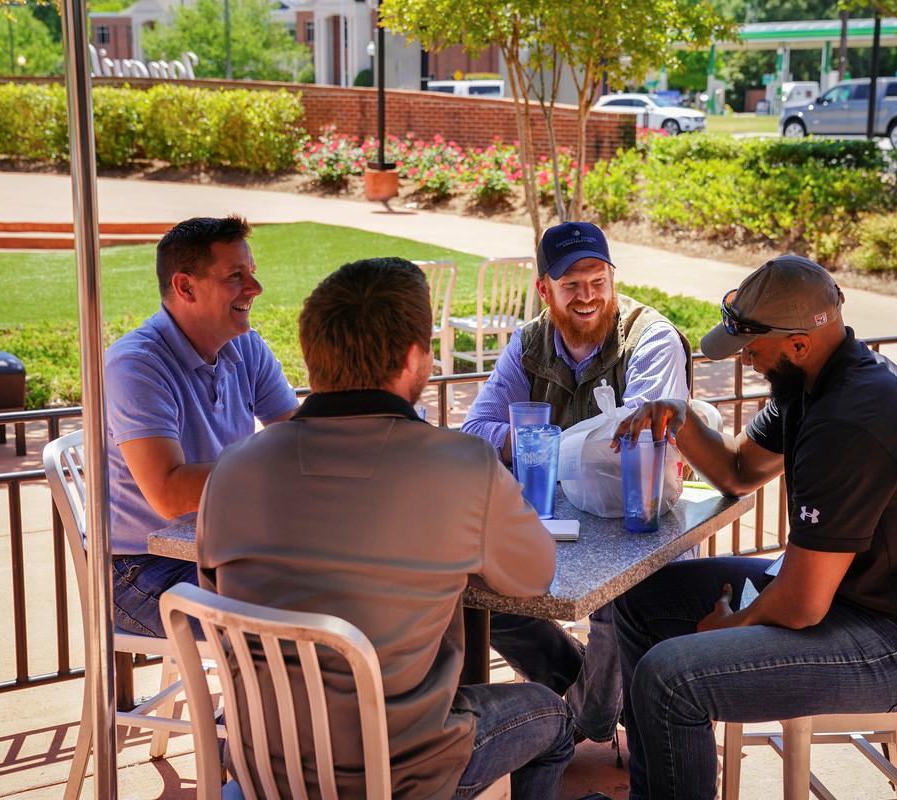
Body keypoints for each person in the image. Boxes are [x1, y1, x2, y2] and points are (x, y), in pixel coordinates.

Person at [197, 257, 574, 798]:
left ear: (311, 354)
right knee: (552, 717)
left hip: (262, 763)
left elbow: (218, 597)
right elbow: (535, 575)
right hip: (402, 772)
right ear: (414, 358)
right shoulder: (460, 465)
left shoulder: (232, 469)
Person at [611, 254, 897, 800]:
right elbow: (739, 470)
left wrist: (731, 628)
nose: (745, 360)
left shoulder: (851, 419)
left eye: (752, 350)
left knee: (672, 678)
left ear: (799, 344)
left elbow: (803, 603)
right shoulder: (811, 382)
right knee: (641, 600)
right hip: (850, 600)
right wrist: (678, 417)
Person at [461, 221, 692, 743]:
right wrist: (566, 445)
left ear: (613, 278)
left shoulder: (652, 338)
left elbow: (635, 438)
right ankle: (582, 684)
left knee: (619, 602)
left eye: (597, 281)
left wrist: (537, 442)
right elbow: (474, 430)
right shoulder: (529, 342)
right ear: (545, 290)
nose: (587, 296)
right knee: (476, 595)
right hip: (554, 521)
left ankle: (579, 721)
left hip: (638, 525)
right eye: (571, 285)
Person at [104, 216, 298, 638]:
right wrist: (274, 463)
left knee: (340, 591)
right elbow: (169, 494)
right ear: (185, 287)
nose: (255, 288)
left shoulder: (243, 344)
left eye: (252, 274)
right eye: (235, 276)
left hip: (222, 549)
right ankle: (246, 708)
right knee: (286, 619)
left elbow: (296, 432)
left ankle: (271, 706)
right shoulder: (136, 364)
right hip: (138, 568)